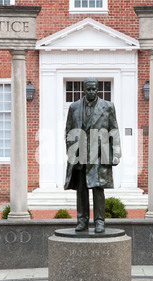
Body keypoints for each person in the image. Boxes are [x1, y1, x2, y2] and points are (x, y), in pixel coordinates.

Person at [64, 77, 121, 233]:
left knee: (98, 188)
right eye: (88, 89)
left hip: (99, 153)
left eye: (94, 89)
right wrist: (70, 151)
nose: (91, 92)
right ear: (84, 89)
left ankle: (99, 221)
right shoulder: (74, 107)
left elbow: (114, 131)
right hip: (79, 153)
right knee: (81, 189)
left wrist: (116, 153)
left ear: (97, 88)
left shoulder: (108, 107)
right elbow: (68, 130)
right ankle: (82, 220)